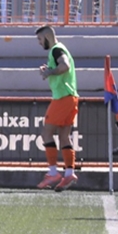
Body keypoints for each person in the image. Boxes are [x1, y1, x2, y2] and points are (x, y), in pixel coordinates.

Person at [35, 25, 80, 191]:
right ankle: (69, 173)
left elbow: (65, 66)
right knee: (64, 137)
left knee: (46, 133)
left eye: (40, 39)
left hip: (62, 98)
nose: (39, 43)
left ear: (47, 36)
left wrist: (50, 72)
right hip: (71, 97)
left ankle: (53, 172)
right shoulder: (60, 49)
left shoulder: (56, 49)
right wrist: (50, 70)